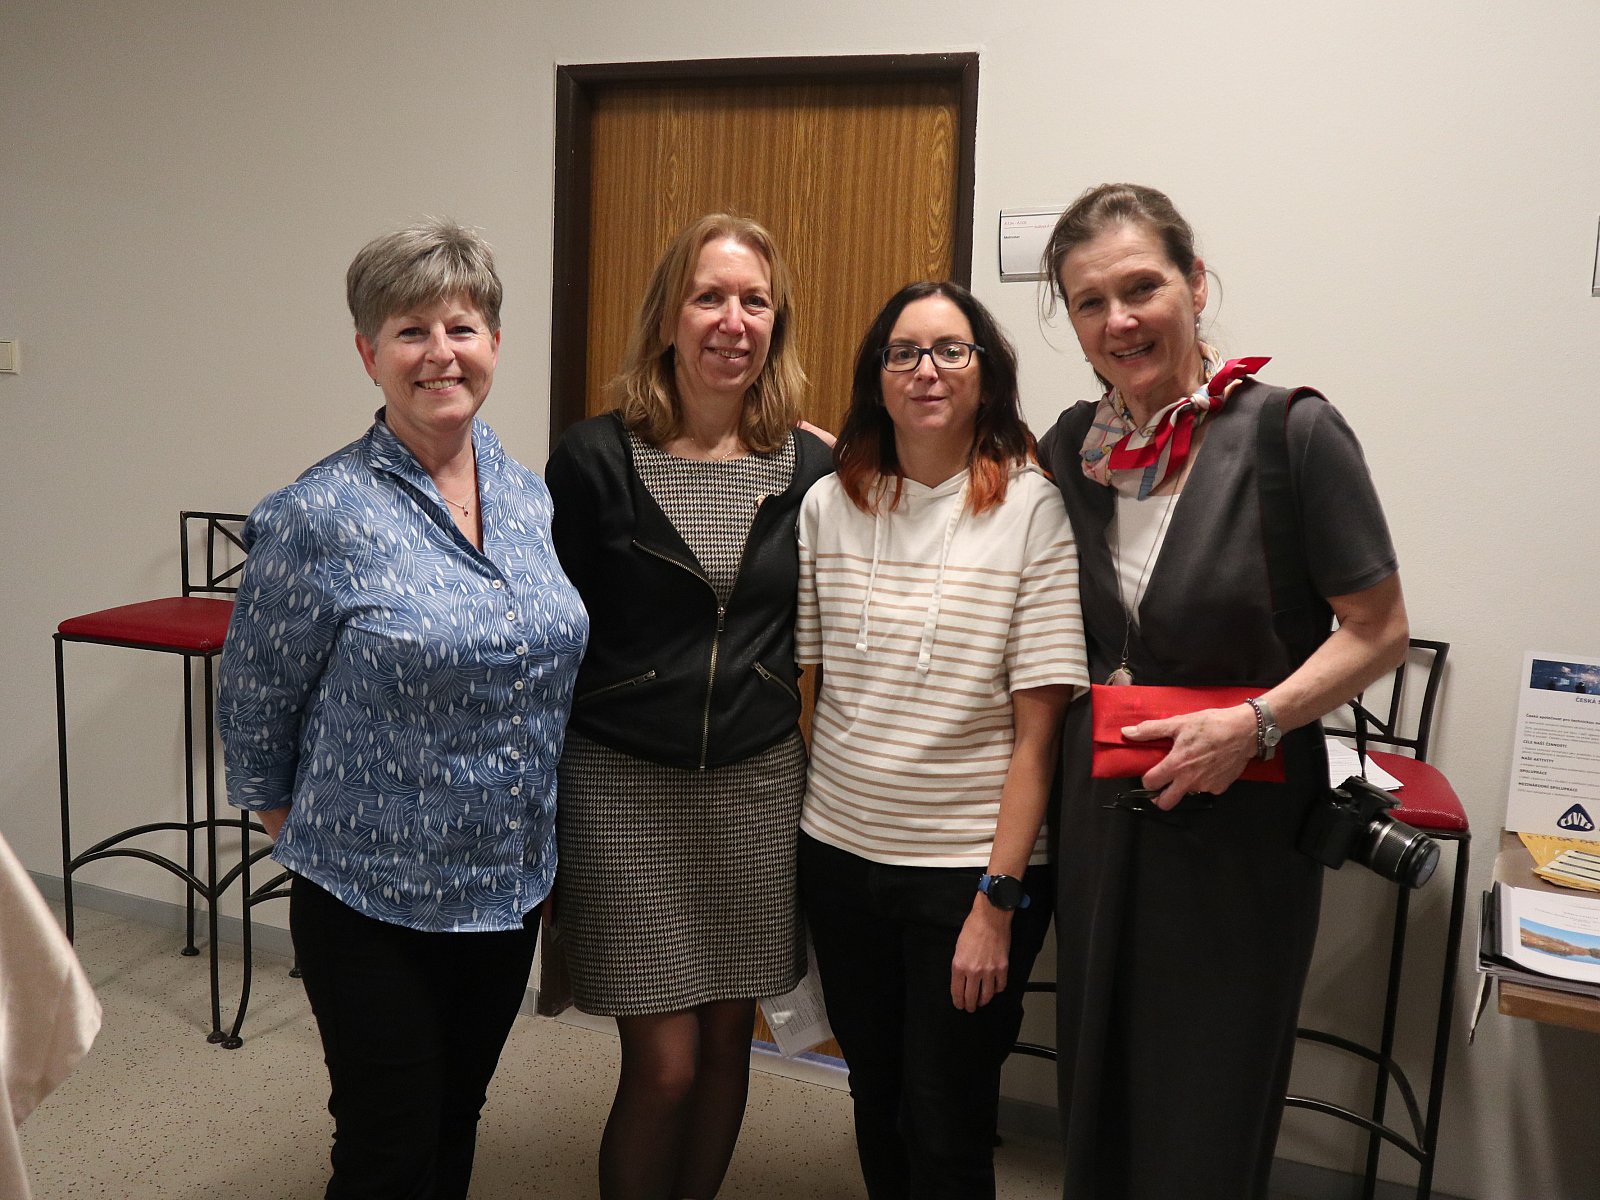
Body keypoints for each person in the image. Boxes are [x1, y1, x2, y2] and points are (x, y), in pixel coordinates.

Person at [1035, 183, 1409, 1199]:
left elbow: (1378, 629)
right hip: (1100, 820)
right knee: (1097, 1085)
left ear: (1195, 285)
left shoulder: (1291, 434)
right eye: (1089, 301)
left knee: (1206, 1099)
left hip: (1240, 824)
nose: (1119, 320)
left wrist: (1254, 722)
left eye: (1141, 287)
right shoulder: (1070, 447)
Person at [217, 220, 588, 1200]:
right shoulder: (318, 512)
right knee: (387, 1148)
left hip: (503, 889)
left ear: (495, 343)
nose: (440, 354)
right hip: (367, 897)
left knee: (456, 1120)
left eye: (461, 328)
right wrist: (303, 832)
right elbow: (254, 696)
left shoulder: (526, 497)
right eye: (410, 331)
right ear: (367, 353)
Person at [543, 213, 832, 1200]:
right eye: (709, 297)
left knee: (724, 1049)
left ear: (776, 323)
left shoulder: (809, 469)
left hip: (756, 788)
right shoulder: (594, 458)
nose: (732, 321)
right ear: (669, 316)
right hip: (621, 785)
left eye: (754, 301)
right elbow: (552, 632)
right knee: (663, 1066)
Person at [795, 281, 1089, 1200]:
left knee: (947, 1113)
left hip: (969, 873)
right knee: (875, 1092)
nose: (926, 370)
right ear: (877, 377)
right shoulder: (829, 507)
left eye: (951, 350)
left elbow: (1039, 737)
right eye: (904, 352)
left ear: (985, 374)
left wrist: (997, 902)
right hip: (841, 858)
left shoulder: (1033, 511)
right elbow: (813, 688)